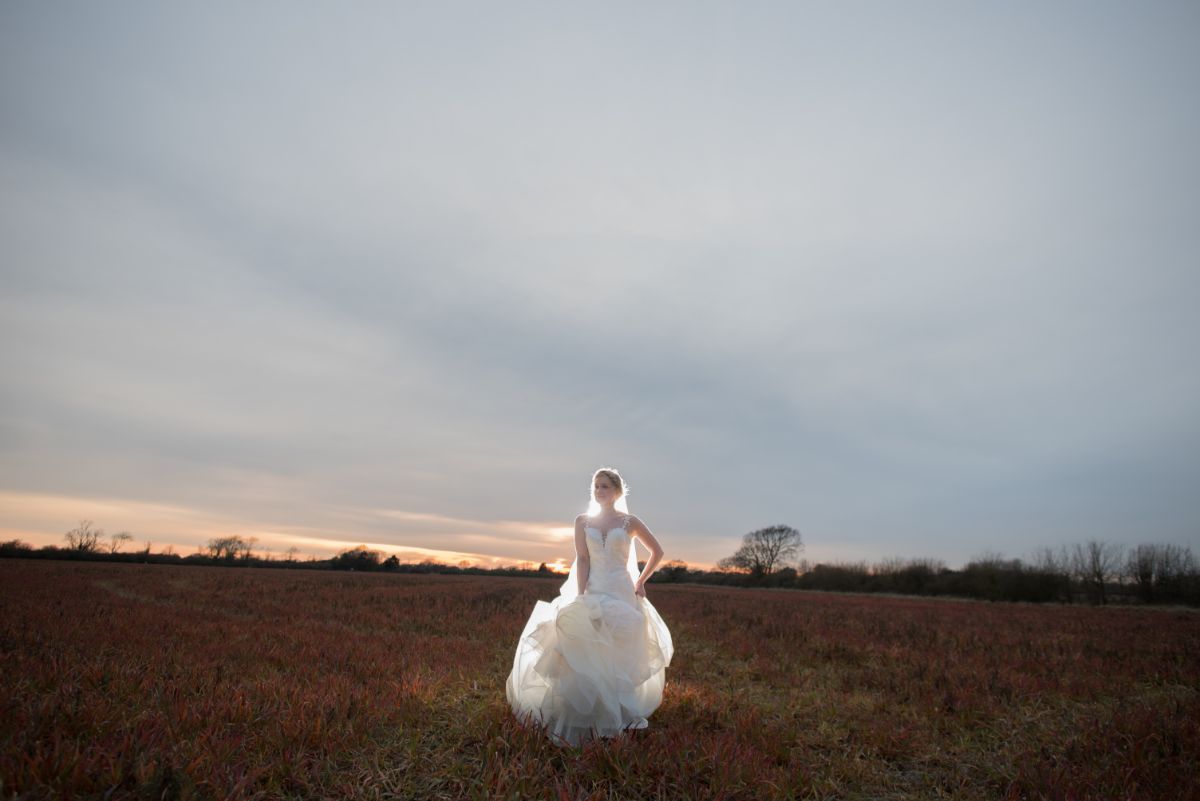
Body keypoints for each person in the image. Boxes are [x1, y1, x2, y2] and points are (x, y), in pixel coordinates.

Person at [505, 467, 674, 747]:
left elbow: (657, 551)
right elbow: (582, 560)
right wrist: (581, 596)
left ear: (617, 491)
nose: (598, 491)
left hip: (621, 590)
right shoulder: (582, 521)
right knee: (585, 647)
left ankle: (615, 712)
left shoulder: (629, 522)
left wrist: (642, 581)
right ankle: (588, 713)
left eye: (605, 486)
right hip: (593, 588)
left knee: (617, 653)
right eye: (595, 486)